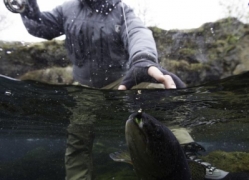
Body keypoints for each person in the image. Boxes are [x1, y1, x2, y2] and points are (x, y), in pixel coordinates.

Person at [7, 0, 235, 179]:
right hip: (84, 88)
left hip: (122, 82)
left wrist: (143, 60)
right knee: (77, 136)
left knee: (159, 94)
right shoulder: (67, 8)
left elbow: (139, 34)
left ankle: (191, 158)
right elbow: (40, 26)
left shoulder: (121, 10)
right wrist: (27, 7)